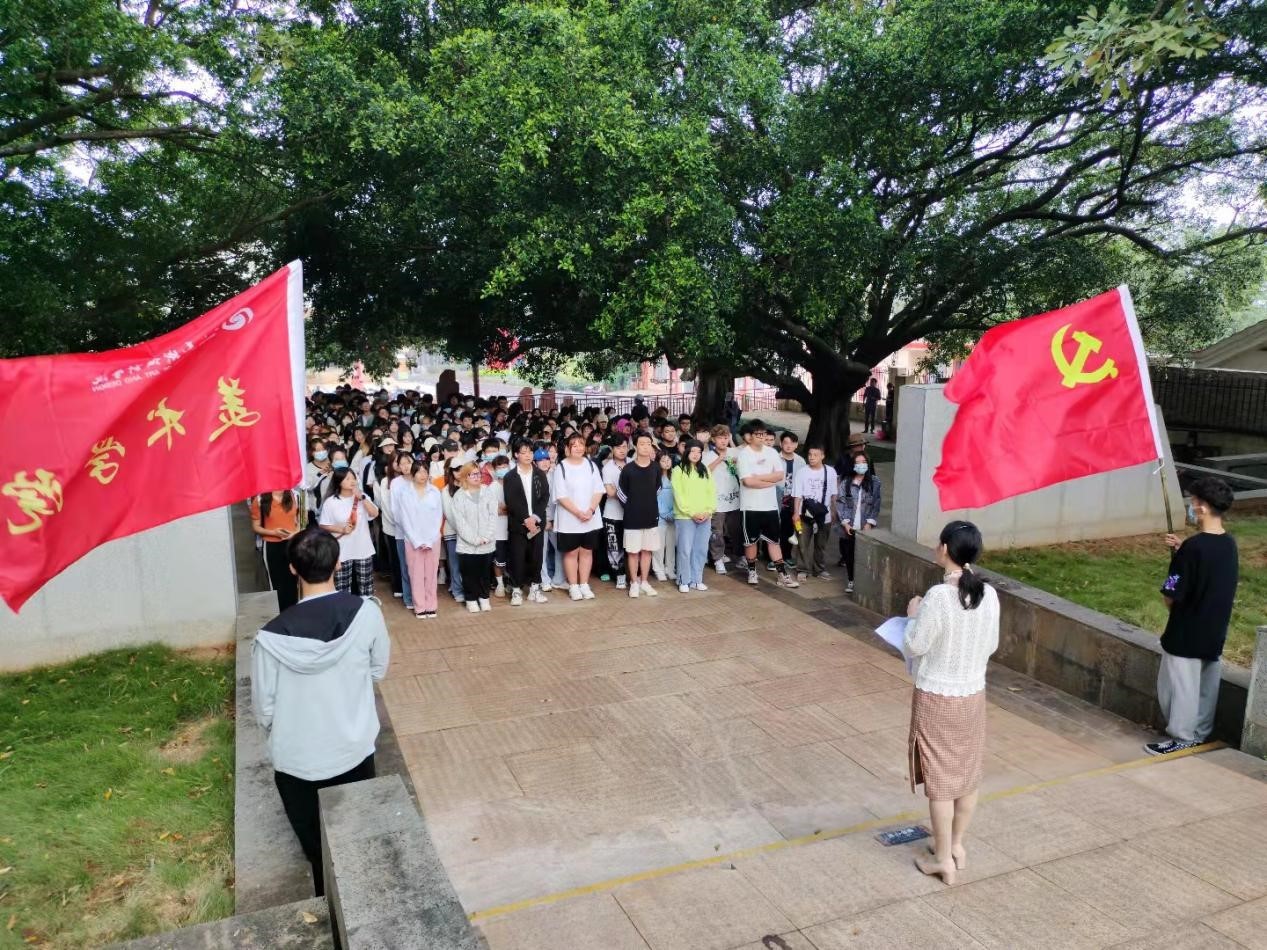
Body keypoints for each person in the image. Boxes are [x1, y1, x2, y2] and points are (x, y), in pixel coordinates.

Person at [252, 528, 390, 897]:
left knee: (317, 852)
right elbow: (378, 670)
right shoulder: (367, 614)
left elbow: (264, 709)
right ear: (338, 564)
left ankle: (325, 905)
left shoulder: (271, 638)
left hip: (298, 762)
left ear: (292, 569)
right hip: (354, 749)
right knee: (357, 842)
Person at [903, 520, 999, 887]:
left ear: (945, 549)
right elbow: (991, 645)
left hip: (937, 696)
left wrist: (913, 616)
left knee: (941, 780)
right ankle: (956, 845)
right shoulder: (989, 595)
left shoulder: (939, 597)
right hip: (973, 694)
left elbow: (916, 644)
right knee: (967, 773)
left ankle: (942, 860)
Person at [1147, 476, 1239, 755]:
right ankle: (1199, 733)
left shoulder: (1193, 548)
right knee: (1205, 687)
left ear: (1203, 507)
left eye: (1194, 501)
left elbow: (1171, 592)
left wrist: (1180, 556)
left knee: (1179, 687)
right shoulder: (1229, 545)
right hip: (1214, 630)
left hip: (1185, 632)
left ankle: (1181, 736)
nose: (1191, 505)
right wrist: (1182, 550)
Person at [736, 420, 798, 588]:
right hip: (750, 506)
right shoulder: (744, 455)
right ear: (749, 436)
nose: (762, 437)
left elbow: (779, 475)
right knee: (751, 542)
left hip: (770, 506)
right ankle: (752, 571)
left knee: (774, 541)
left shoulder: (771, 452)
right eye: (758, 434)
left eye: (763, 434)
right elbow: (748, 482)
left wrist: (759, 478)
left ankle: (782, 574)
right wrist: (769, 482)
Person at [550, 433, 605, 601]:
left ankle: (584, 584)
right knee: (571, 553)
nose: (578, 448)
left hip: (590, 518)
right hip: (569, 519)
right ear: (567, 449)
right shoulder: (561, 468)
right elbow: (561, 495)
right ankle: (573, 586)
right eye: (574, 445)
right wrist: (578, 513)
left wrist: (590, 510)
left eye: (581, 444)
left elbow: (598, 490)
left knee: (587, 551)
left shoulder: (591, 465)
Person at [393, 458, 444, 619]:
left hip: (433, 539)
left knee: (431, 574)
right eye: (419, 471)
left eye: (425, 471)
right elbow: (404, 519)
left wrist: (431, 539)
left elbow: (438, 517)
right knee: (415, 575)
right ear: (413, 474)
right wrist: (416, 540)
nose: (422, 475)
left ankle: (431, 605)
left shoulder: (434, 491)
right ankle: (419, 607)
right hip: (412, 540)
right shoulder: (405, 493)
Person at [318, 468, 379, 598]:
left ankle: (366, 608)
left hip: (363, 549)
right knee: (342, 587)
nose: (352, 481)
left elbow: (374, 513)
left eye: (353, 478)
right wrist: (341, 530)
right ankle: (345, 610)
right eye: (347, 478)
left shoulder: (362, 497)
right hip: (342, 550)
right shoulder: (331, 502)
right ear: (339, 481)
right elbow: (323, 525)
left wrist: (362, 498)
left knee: (366, 587)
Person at [504, 439, 551, 606]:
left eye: (530, 452)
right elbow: (511, 501)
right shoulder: (510, 476)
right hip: (518, 524)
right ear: (516, 454)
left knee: (536, 557)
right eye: (523, 452)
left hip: (536, 523)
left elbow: (545, 497)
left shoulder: (539, 474)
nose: (528, 455)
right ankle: (516, 589)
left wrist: (534, 517)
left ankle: (535, 588)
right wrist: (525, 518)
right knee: (517, 557)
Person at [617, 432, 662, 597]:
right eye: (642, 444)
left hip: (651, 516)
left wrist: (647, 504)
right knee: (633, 552)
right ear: (635, 446)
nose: (645, 447)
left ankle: (644, 581)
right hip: (632, 518)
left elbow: (658, 489)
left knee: (647, 550)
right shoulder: (628, 469)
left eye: (648, 444)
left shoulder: (656, 467)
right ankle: (634, 583)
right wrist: (632, 507)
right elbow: (621, 494)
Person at [450, 462, 498, 613]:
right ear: (465, 477)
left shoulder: (488, 492)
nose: (477, 477)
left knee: (484, 573)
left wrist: (487, 536)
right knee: (469, 573)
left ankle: (484, 598)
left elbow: (493, 515)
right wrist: (474, 539)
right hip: (467, 545)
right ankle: (471, 599)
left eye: (478, 474)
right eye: (472, 474)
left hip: (487, 542)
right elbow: (460, 522)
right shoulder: (459, 496)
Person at [672, 439, 715, 593]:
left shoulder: (705, 469)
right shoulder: (678, 470)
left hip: (705, 516)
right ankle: (684, 580)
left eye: (699, 452)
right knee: (685, 549)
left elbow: (711, 492)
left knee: (701, 549)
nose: (696, 454)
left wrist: (709, 511)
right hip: (685, 517)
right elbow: (678, 494)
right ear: (686, 452)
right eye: (693, 451)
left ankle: (697, 580)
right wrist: (691, 512)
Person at [837, 450, 881, 595]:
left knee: (864, 555)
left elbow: (876, 504)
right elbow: (841, 503)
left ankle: (864, 582)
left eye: (863, 462)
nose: (861, 465)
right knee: (849, 555)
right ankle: (851, 579)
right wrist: (845, 523)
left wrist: (870, 523)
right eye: (857, 463)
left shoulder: (875, 482)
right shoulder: (846, 482)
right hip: (850, 526)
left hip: (865, 526)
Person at [791, 446, 838, 580]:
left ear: (822, 456)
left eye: (815, 455)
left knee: (821, 544)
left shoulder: (830, 472)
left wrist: (834, 511)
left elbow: (834, 494)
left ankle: (819, 569)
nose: (811, 457)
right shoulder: (802, 472)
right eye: (810, 454)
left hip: (824, 514)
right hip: (804, 514)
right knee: (802, 543)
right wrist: (796, 513)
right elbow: (797, 494)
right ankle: (802, 569)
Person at [250, 490, 302, 611]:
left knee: (293, 581)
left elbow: (299, 522)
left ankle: (293, 613)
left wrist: (295, 533)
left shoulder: (295, 495)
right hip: (271, 545)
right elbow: (256, 526)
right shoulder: (260, 499)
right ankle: (281, 614)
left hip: (292, 544)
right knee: (277, 583)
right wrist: (273, 532)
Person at [704, 425, 741, 574]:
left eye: (726, 437)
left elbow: (740, 465)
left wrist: (732, 446)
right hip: (717, 500)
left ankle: (740, 556)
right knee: (717, 532)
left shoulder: (733, 452)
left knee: (736, 530)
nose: (723, 441)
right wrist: (719, 459)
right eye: (720, 438)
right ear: (713, 439)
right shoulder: (708, 455)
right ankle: (717, 558)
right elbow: (704, 472)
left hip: (734, 498)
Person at [601, 434, 630, 590]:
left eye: (624, 446)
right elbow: (610, 493)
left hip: (631, 514)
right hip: (612, 514)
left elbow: (615, 491)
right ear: (612, 449)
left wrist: (618, 489)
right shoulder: (607, 468)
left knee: (630, 546)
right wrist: (630, 491)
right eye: (618, 447)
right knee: (614, 547)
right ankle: (619, 575)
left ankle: (633, 575)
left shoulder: (632, 463)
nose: (622, 450)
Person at [389, 454, 417, 611]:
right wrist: (408, 527)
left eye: (409, 462)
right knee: (405, 566)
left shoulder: (420, 479)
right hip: (402, 532)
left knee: (419, 567)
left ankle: (420, 596)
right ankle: (408, 598)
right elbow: (395, 509)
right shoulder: (396, 483)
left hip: (421, 532)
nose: (406, 466)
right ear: (398, 467)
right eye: (402, 463)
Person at [776, 431, 805, 569]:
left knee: (789, 528)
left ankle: (787, 556)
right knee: (775, 528)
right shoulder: (775, 458)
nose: (789, 446)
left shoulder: (800, 461)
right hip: (777, 498)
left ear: (796, 445)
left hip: (793, 500)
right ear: (781, 444)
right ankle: (774, 557)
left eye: (792, 443)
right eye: (785, 442)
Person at [441, 459, 466, 603]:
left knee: (467, 564)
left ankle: (467, 589)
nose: (459, 473)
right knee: (455, 563)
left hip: (468, 533)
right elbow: (449, 514)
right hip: (452, 532)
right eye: (456, 470)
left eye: (462, 469)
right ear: (451, 472)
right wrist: (462, 530)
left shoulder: (469, 487)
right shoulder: (446, 491)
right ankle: (457, 590)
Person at [654, 450, 677, 583]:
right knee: (659, 545)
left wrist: (673, 512)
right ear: (658, 462)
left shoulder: (675, 476)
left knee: (671, 544)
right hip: (660, 516)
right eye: (663, 460)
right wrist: (663, 513)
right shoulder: (655, 478)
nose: (666, 463)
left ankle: (670, 569)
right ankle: (659, 569)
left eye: (668, 460)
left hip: (673, 515)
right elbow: (653, 498)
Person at [490, 455, 511, 597]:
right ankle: (499, 584)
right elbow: (494, 510)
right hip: (498, 530)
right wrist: (507, 509)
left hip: (513, 529)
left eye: (505, 466)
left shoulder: (514, 482)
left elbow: (516, 507)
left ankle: (510, 582)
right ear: (494, 469)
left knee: (511, 558)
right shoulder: (492, 487)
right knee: (499, 559)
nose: (503, 469)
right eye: (499, 467)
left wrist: (505, 508)